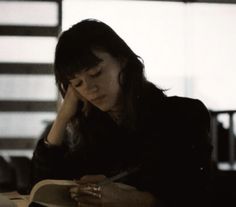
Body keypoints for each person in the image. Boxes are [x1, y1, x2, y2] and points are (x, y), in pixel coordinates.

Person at [30, 19, 213, 207]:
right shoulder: (93, 131)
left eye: (95, 73)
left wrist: (129, 199)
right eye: (77, 84)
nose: (90, 88)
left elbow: (195, 195)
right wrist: (63, 116)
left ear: (123, 60)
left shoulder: (182, 115)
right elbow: (43, 191)